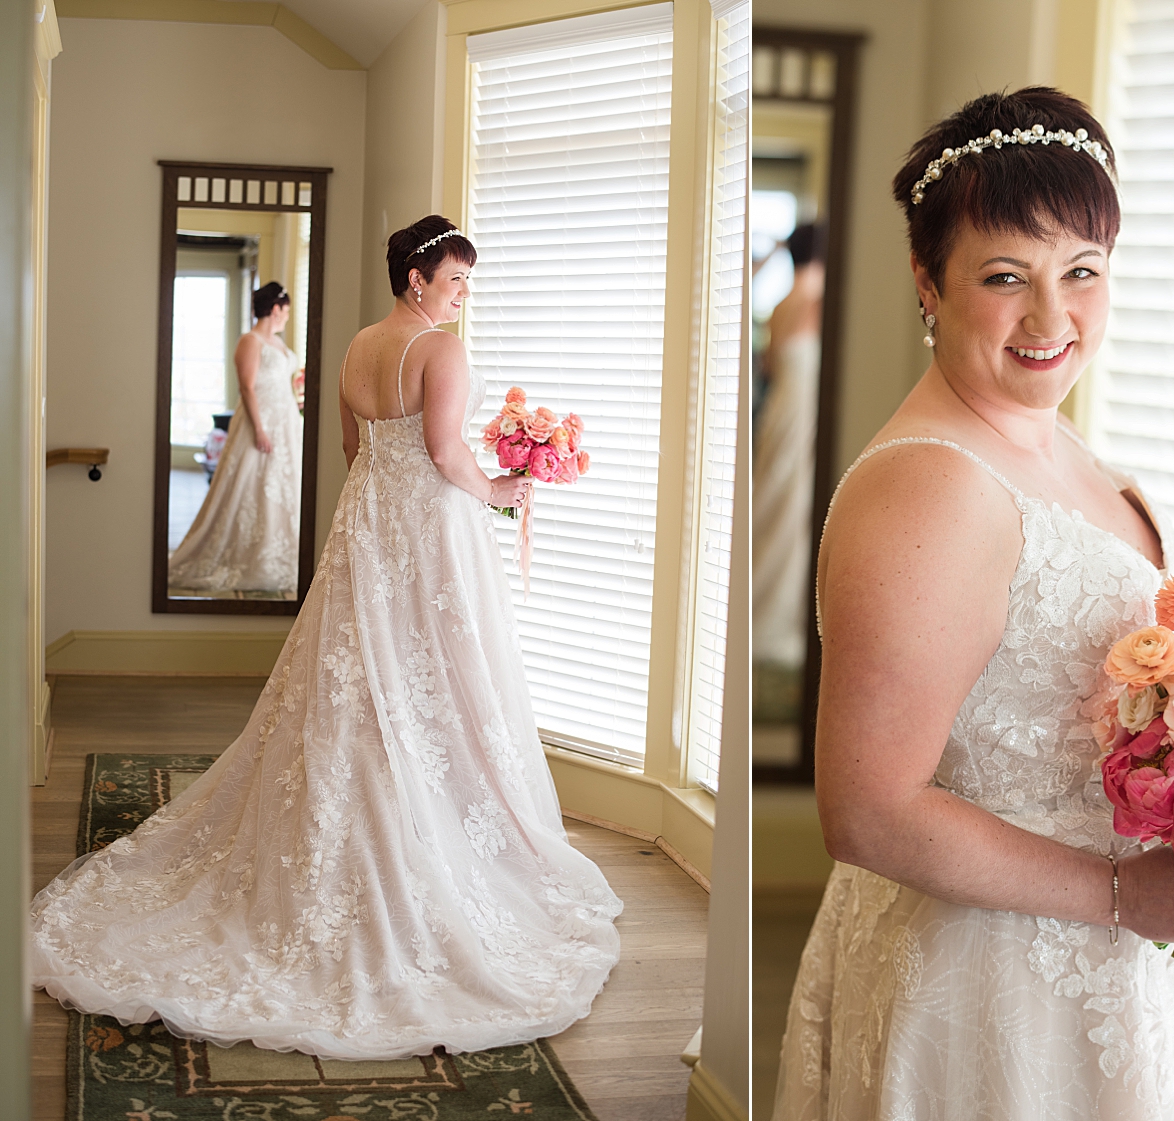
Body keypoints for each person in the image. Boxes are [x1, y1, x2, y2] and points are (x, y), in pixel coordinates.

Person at [32, 215, 623, 1060]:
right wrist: (502, 487)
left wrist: (405, 500)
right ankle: (429, 841)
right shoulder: (440, 351)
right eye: (455, 280)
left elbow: (352, 449)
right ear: (417, 280)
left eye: (466, 282)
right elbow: (447, 452)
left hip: (367, 537)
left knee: (351, 686)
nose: (463, 295)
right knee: (443, 685)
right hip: (431, 541)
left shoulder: (350, 350)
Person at [772, 89, 1174, 1120]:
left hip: (1101, 967)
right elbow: (868, 808)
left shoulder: (1055, 445)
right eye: (1006, 277)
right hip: (990, 982)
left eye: (1083, 273)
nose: (1052, 318)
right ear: (928, 284)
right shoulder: (927, 486)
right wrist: (1122, 893)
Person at [167, 281, 303, 595]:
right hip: (260, 423)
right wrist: (259, 429)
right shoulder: (251, 341)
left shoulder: (279, 344)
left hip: (286, 423)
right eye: (285, 310)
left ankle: (279, 552)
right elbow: (247, 387)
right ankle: (245, 554)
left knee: (282, 485)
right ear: (276, 308)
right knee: (250, 484)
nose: (286, 317)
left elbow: (283, 382)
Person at [752, 223, 826, 669]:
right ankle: (777, 620)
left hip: (780, 413)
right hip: (802, 415)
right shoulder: (818, 303)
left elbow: (772, 365)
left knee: (776, 501)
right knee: (793, 507)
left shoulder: (780, 305)